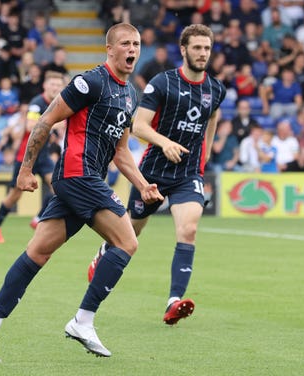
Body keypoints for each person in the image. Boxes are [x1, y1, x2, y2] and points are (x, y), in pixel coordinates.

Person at [0, 23, 163, 361]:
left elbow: (121, 152)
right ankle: (83, 320)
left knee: (37, 252)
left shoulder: (130, 94)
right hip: (78, 175)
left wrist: (143, 185)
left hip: (84, 181)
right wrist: (26, 170)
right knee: (127, 241)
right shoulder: (89, 82)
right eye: (125, 43)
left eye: (137, 43)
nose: (133, 49)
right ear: (110, 49)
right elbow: (45, 120)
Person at [85, 24, 225, 326]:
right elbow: (139, 126)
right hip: (152, 174)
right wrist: (165, 142)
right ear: (184, 49)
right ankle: (104, 251)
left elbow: (212, 115)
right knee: (130, 233)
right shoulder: (163, 83)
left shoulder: (216, 89)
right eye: (197, 48)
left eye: (207, 48)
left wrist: (206, 153)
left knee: (188, 230)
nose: (203, 53)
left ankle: (174, 302)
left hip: (188, 174)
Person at [0, 71, 65, 243]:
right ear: (45, 86)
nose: (55, 88)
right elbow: (30, 126)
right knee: (15, 195)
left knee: (59, 188)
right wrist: (56, 124)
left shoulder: (57, 104)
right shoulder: (37, 104)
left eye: (58, 86)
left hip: (42, 155)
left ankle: (37, 219)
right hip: (26, 156)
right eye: (52, 84)